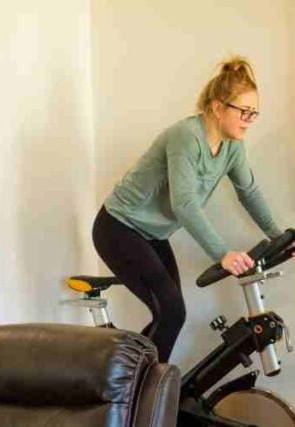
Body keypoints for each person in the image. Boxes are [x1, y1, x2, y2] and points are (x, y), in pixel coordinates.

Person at [91, 56, 284, 363]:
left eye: (254, 113)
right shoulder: (186, 137)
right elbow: (184, 204)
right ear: (218, 107)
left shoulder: (233, 146)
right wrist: (222, 252)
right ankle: (132, 394)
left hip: (152, 235)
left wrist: (280, 235)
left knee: (171, 315)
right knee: (171, 311)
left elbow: (249, 191)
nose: (249, 119)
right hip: (118, 227)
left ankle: (137, 388)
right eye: (244, 111)